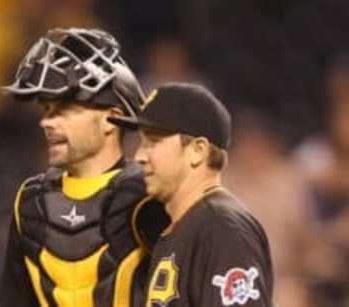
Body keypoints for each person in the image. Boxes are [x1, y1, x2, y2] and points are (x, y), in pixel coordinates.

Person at [0, 27, 169, 307]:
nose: (47, 122)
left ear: (110, 119)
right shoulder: (30, 200)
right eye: (46, 109)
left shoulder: (150, 195)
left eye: (64, 109)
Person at [109, 82, 274, 306]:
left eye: (153, 142)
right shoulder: (184, 226)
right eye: (141, 142)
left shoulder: (221, 227)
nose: (139, 155)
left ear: (198, 150)